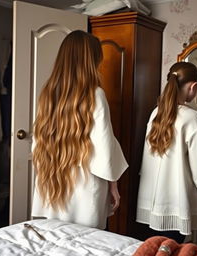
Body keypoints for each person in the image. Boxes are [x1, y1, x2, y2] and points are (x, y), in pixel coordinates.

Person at [31, 30, 128, 229]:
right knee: (86, 242)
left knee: (55, 239)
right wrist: (113, 185)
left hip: (54, 180)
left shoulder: (48, 94)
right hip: (85, 185)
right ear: (90, 61)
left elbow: (37, 143)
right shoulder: (96, 95)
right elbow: (104, 146)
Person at [136, 62, 197, 243]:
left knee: (156, 247)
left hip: (151, 200)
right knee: (172, 246)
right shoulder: (191, 117)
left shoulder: (156, 113)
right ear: (193, 86)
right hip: (176, 201)